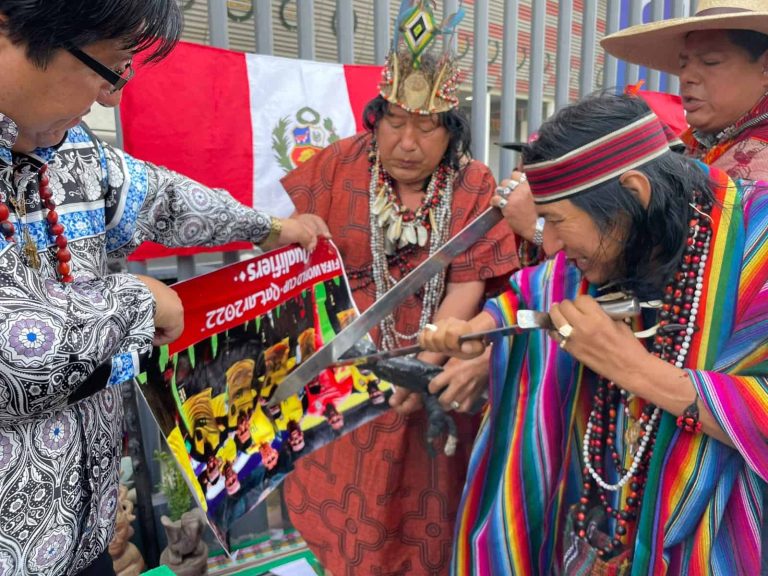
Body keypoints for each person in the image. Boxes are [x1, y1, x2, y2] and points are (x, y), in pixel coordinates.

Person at [0, 2, 315, 575]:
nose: (109, 97)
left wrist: (270, 228)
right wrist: (135, 305)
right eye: (109, 66)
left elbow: (160, 199)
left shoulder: (64, 151)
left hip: (82, 537)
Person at [419, 92, 768, 574]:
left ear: (634, 190)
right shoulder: (627, 236)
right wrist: (482, 333)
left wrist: (633, 368)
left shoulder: (759, 242)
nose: (552, 244)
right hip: (608, 535)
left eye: (557, 221)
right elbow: (541, 288)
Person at [279, 3, 518, 573]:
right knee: (344, 523)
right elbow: (299, 266)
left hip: (433, 375)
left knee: (425, 530)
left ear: (451, 128)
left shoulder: (474, 183)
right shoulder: (336, 167)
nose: (407, 141)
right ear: (376, 117)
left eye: (426, 125)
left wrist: (424, 365)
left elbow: (469, 285)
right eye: (394, 120)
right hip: (341, 377)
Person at [601, 0, 768, 180]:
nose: (686, 77)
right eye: (683, 64)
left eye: (710, 62)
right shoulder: (698, 142)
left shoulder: (758, 173)